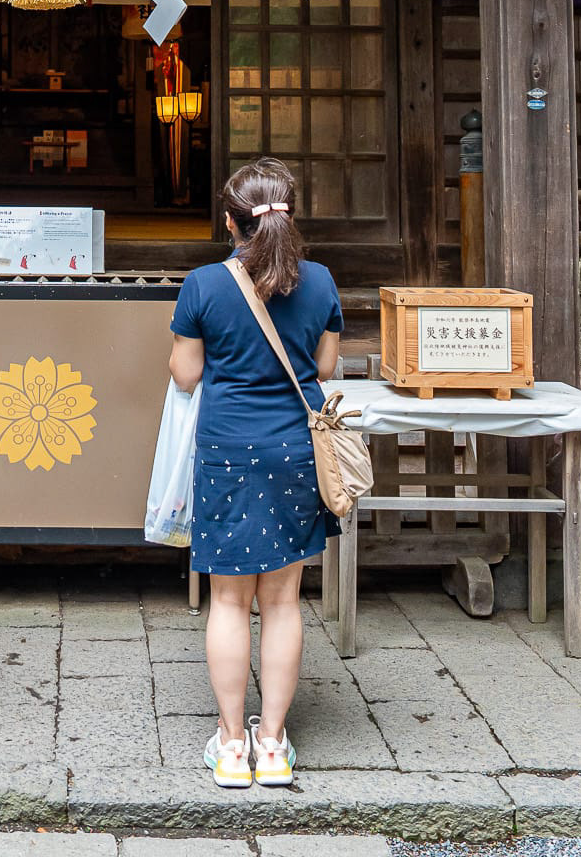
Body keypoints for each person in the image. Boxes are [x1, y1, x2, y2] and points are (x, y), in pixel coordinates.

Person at [169, 157, 342, 791]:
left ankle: (230, 745)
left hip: (227, 452)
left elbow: (187, 375)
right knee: (284, 601)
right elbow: (322, 369)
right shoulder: (320, 282)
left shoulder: (204, 285)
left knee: (229, 601)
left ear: (230, 221)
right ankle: (272, 744)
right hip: (294, 451)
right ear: (291, 216)